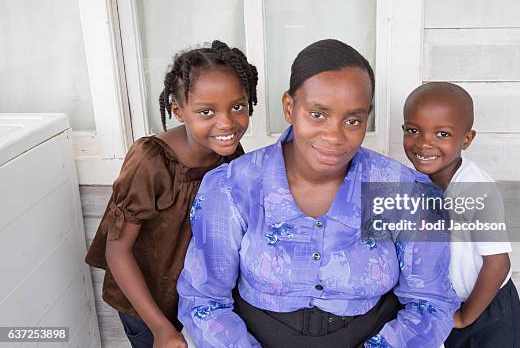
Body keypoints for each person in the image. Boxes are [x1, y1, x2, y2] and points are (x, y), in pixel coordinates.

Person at [177, 39, 459, 347]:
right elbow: (204, 300)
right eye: (318, 114)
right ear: (289, 107)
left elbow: (431, 303)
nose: (334, 136)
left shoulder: (406, 191)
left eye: (353, 120)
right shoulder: (233, 186)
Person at [85, 41, 259, 348]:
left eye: (238, 106)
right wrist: (160, 329)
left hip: (199, 300)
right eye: (206, 111)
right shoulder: (150, 162)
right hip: (147, 304)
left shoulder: (231, 156)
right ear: (178, 110)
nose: (227, 123)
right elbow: (117, 250)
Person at [402, 82, 520, 348]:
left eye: (442, 134)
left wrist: (466, 318)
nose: (424, 143)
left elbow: (498, 263)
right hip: (445, 306)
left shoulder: (477, 191)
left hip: (487, 306)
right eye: (413, 130)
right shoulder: (412, 183)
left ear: (466, 139)